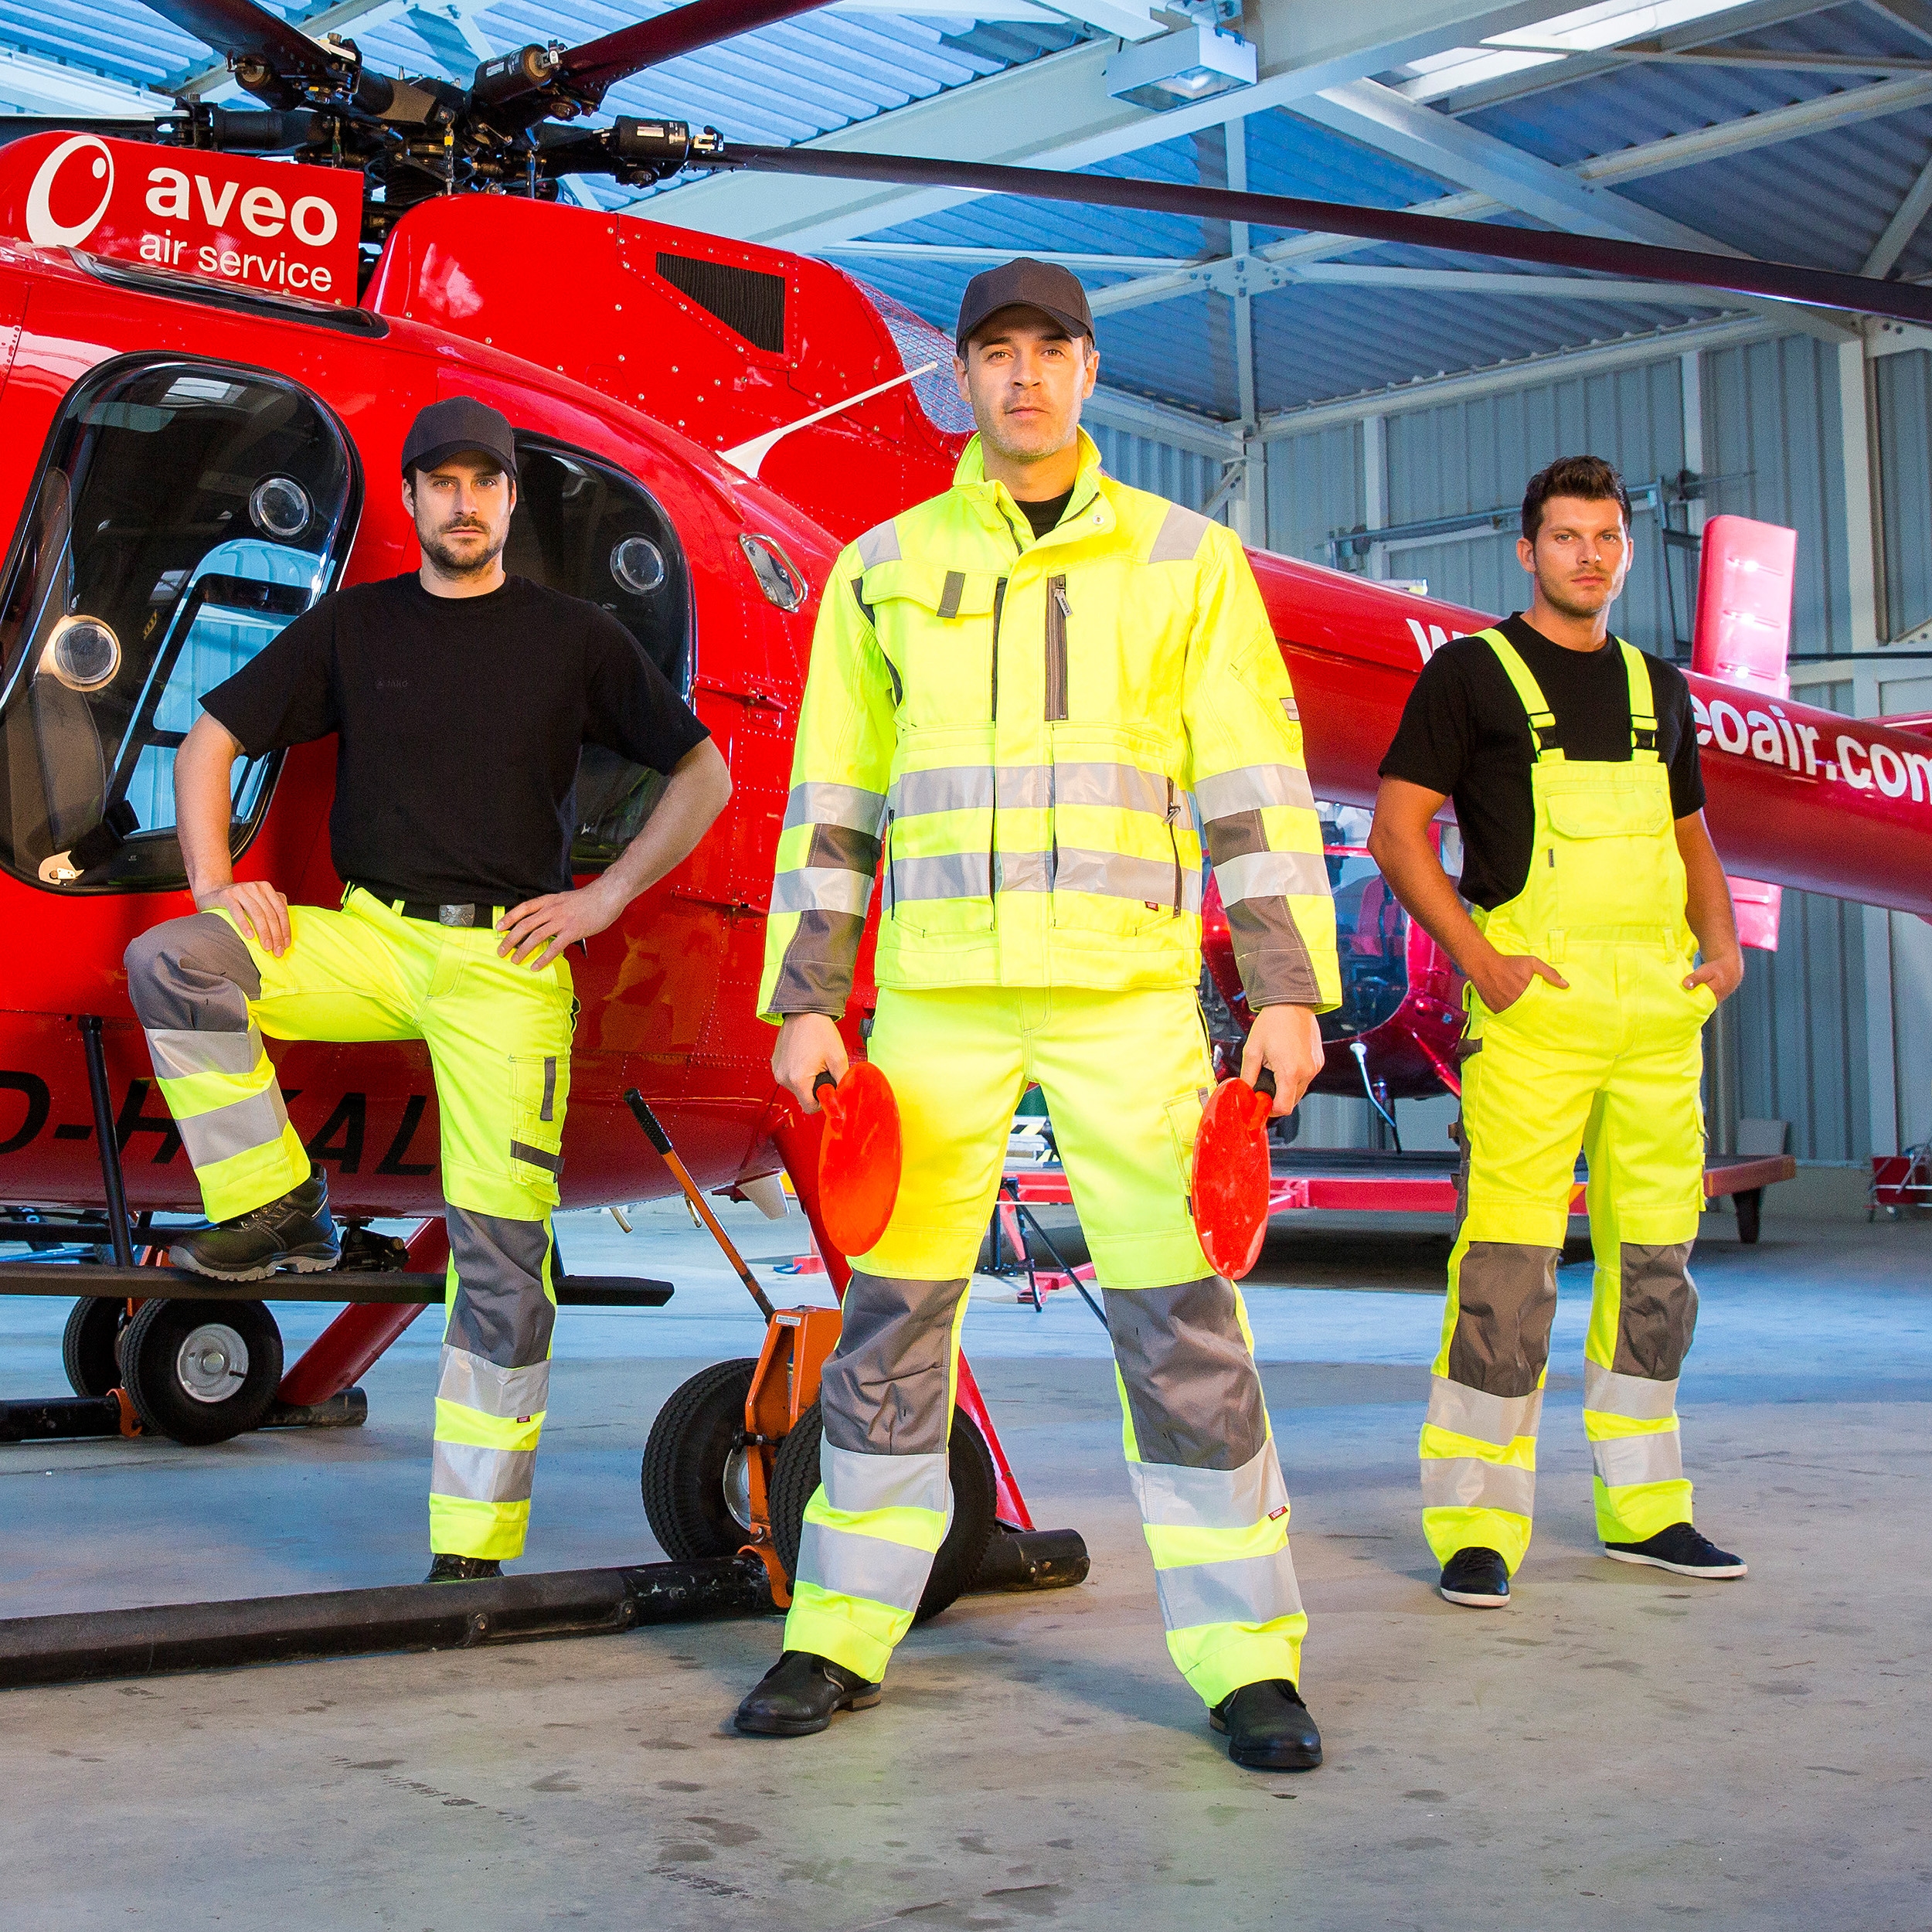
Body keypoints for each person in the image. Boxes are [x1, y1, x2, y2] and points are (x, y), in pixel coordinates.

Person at [735, 258, 1341, 1771]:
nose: (1021, 376)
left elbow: (1255, 796)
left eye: (1048, 349)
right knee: (890, 1315)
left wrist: (1281, 988)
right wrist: (806, 1001)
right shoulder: (877, 568)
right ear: (957, 377)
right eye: (992, 351)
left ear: (1088, 370)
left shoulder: (1186, 562)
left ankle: (1243, 1652)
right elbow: (830, 808)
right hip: (934, 1003)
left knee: (1180, 1316)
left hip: (1126, 999)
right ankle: (839, 1627)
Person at [124, 396, 730, 1580]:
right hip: (371, 938)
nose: (464, 502)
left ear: (510, 499)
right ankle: (271, 1201)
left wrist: (605, 902)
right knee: (174, 962)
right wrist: (214, 880)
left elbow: (703, 769)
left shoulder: (576, 638)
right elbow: (208, 740)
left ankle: (472, 1543)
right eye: (441, 482)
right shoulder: (356, 628)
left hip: (505, 970)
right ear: (410, 502)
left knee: (504, 1260)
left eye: (485, 482)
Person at [1367, 454, 1747, 1611]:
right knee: (1508, 1271)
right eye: (1567, 537)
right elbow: (1396, 830)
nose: (1589, 554)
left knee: (1655, 1267)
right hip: (1535, 1013)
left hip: (1656, 1017)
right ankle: (1477, 1523)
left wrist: (1722, 950)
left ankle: (1646, 1509)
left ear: (1625, 554)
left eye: (1607, 538)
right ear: (1526, 552)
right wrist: (1480, 961)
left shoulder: (1656, 685)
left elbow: (1693, 839)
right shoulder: (1471, 677)